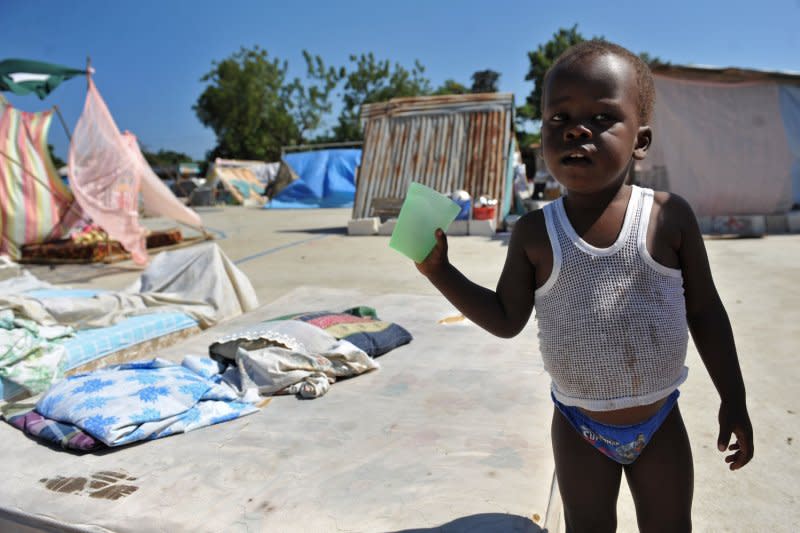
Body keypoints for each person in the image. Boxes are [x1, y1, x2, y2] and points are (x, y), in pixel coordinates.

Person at [415, 39, 753, 532]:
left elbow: (705, 311)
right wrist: (440, 271)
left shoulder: (667, 217)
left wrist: (735, 397)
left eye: (601, 117)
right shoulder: (535, 232)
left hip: (660, 424)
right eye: (559, 118)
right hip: (579, 428)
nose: (576, 129)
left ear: (640, 139)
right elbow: (508, 320)